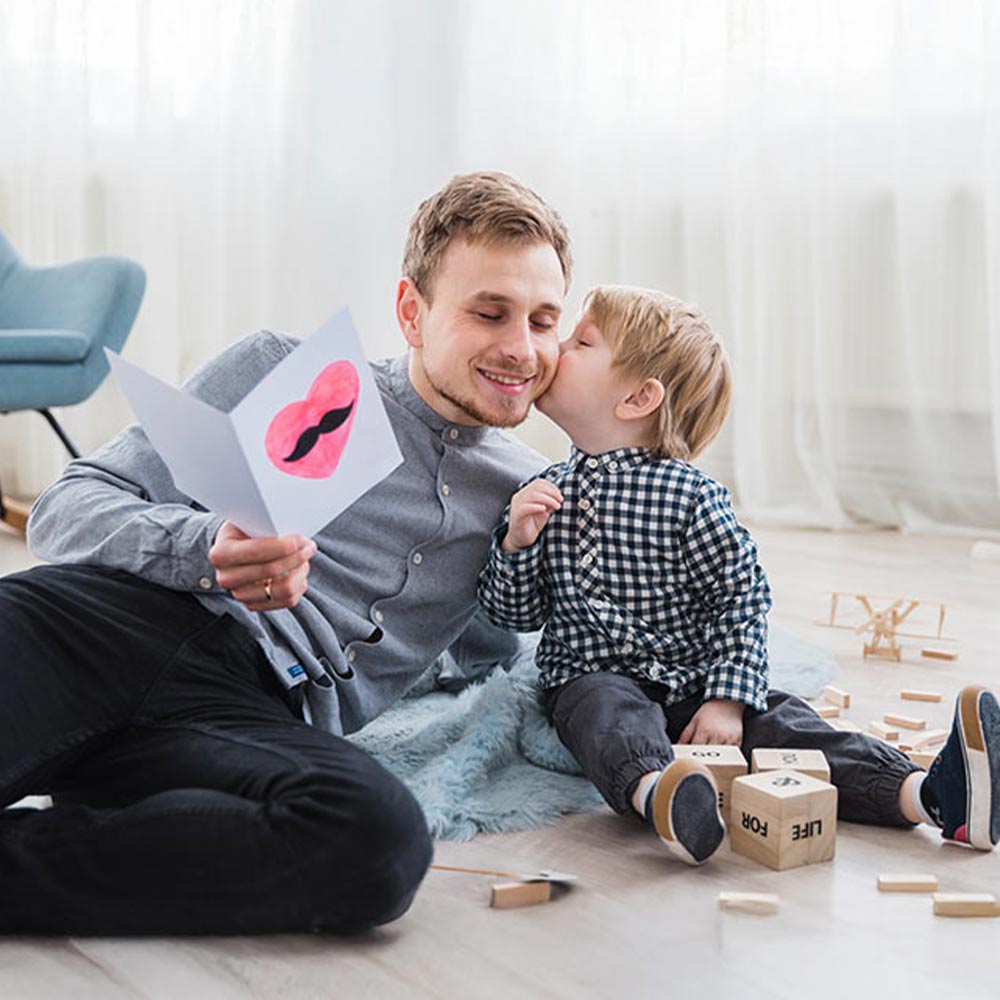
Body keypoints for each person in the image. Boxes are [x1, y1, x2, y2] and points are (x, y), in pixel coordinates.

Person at [0, 171, 571, 934]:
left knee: (377, 843)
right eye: (489, 313)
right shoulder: (279, 367)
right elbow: (64, 509)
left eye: (543, 321)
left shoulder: (531, 494)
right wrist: (203, 546)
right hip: (104, 627)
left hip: (247, 709)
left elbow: (508, 646)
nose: (521, 348)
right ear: (412, 311)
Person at [477, 284, 1000, 865]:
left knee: (788, 726)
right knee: (602, 713)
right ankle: (663, 796)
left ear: (638, 397)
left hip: (696, 682)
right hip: (593, 676)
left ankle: (931, 797)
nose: (556, 348)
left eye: (582, 342)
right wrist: (516, 544)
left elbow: (741, 600)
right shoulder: (544, 492)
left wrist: (727, 700)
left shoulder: (692, 497)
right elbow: (514, 615)